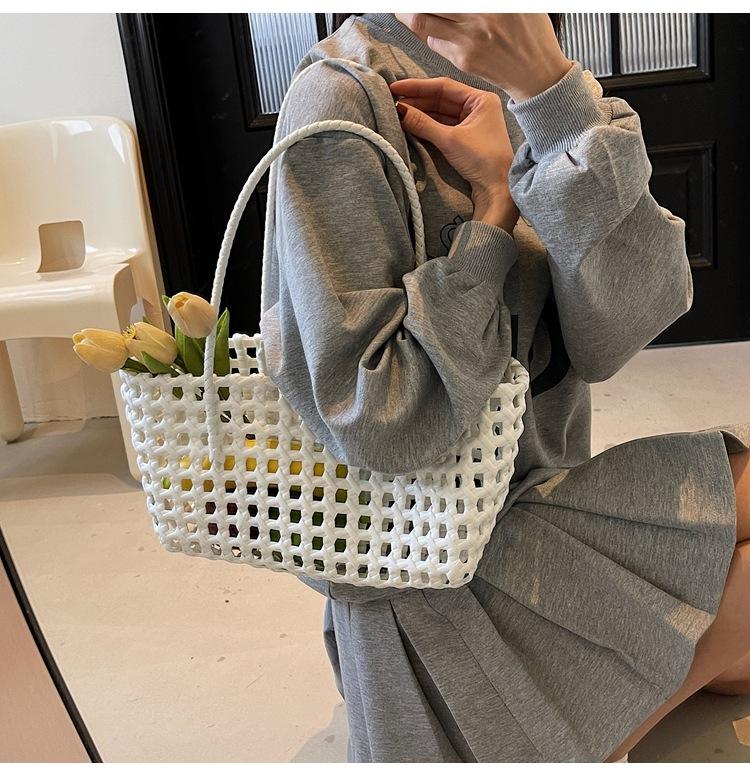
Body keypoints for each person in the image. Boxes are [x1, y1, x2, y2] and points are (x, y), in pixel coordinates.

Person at [258, 12, 750, 762]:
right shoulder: (342, 97)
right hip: (435, 572)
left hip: (546, 500)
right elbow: (382, 423)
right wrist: (492, 218)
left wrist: (554, 98)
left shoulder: (534, 72)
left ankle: (614, 695)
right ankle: (578, 733)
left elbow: (615, 335)